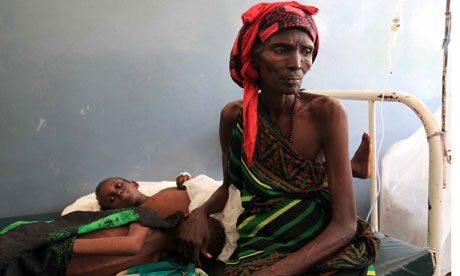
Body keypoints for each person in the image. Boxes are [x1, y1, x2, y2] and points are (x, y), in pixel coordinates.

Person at [179, 2, 379, 276]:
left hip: (321, 237)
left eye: (306, 51)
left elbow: (345, 226)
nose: (297, 63)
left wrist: (276, 272)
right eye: (282, 49)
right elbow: (229, 186)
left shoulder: (327, 112)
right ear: (254, 56)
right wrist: (199, 213)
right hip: (262, 238)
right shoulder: (232, 117)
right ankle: (353, 167)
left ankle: (352, 167)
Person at [0, 176, 225, 276]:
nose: (193, 241)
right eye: (197, 236)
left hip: (49, 269)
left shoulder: (165, 262)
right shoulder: (148, 218)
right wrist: (57, 246)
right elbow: (131, 245)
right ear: (186, 219)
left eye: (199, 246)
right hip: (49, 249)